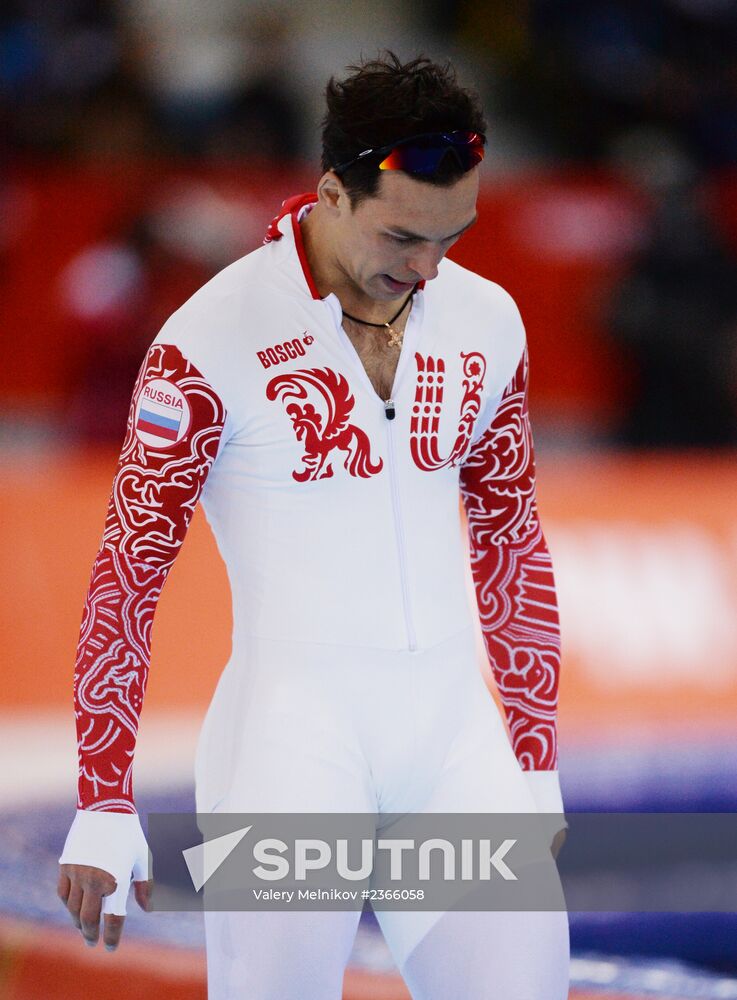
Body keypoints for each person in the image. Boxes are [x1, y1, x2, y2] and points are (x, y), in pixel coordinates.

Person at [57, 53, 569, 999]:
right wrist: (103, 797)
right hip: (289, 756)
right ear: (331, 192)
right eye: (402, 236)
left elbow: (509, 537)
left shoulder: (486, 320)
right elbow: (128, 570)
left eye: (453, 238)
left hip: (454, 757)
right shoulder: (207, 342)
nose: (425, 269)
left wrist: (531, 764)